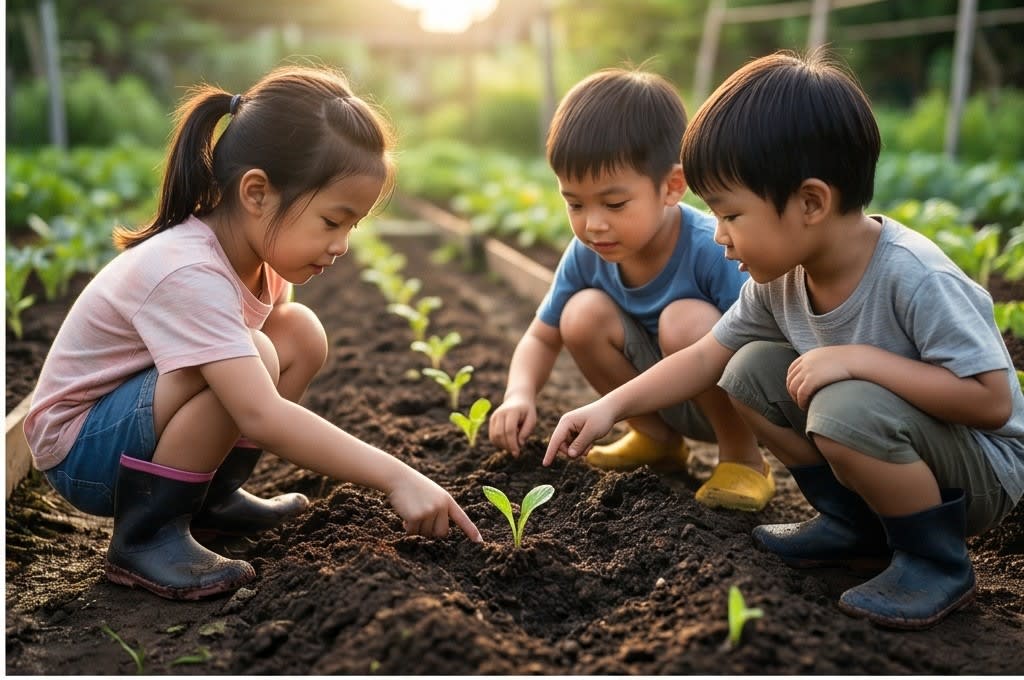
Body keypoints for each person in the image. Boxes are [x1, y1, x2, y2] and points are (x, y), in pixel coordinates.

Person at [542, 49, 1024, 630]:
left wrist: (860, 360)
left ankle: (935, 560)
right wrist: (609, 406)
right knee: (747, 369)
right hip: (897, 443)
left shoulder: (916, 277)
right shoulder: (782, 281)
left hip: (980, 474)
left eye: (731, 215)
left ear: (811, 203)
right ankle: (853, 525)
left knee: (844, 405)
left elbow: (992, 402)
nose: (717, 236)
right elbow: (704, 357)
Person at [23, 65, 482, 602]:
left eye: (352, 227)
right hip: (82, 452)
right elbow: (260, 413)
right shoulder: (189, 271)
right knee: (256, 356)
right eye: (333, 221)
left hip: (127, 428)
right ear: (257, 193)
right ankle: (146, 537)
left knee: (298, 333)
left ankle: (209, 499)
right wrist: (398, 477)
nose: (342, 245)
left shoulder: (257, 260)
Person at [488, 67, 775, 512]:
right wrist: (519, 394)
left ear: (671, 187)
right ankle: (656, 439)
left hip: (729, 398)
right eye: (574, 203)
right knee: (579, 314)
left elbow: (756, 349)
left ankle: (743, 460)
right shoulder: (586, 254)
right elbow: (542, 336)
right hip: (649, 397)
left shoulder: (710, 248)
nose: (592, 223)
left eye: (614, 203)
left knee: (685, 321)